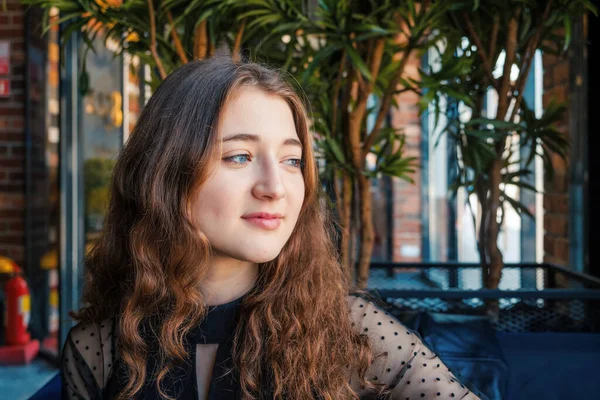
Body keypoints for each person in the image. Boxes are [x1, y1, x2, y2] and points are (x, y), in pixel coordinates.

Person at [61, 57, 485, 400]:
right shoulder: (100, 350)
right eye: (240, 157)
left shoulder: (352, 334)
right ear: (165, 174)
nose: (275, 187)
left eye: (291, 160)